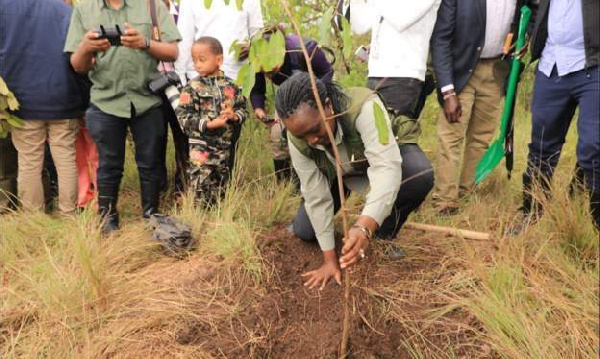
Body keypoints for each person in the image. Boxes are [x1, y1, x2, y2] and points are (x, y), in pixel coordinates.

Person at [276, 73, 434, 290]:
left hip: (374, 163)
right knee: (305, 231)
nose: (312, 140)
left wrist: (364, 226)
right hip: (336, 173)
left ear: (328, 105)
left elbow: (385, 168)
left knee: (418, 175)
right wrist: (330, 260)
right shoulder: (298, 139)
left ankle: (383, 234)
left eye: (315, 130)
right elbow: (316, 196)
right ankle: (352, 228)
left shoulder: (364, 108)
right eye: (303, 136)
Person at [65, 0, 181, 234]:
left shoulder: (152, 5)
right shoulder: (84, 9)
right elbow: (77, 65)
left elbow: (173, 52)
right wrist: (86, 47)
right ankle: (108, 217)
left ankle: (151, 214)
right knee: (109, 163)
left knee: (150, 162)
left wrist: (145, 43)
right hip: (106, 100)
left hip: (146, 98)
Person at [430, 0, 531, 215]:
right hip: (461, 70)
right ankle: (445, 201)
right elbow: (441, 39)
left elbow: (534, 10)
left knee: (481, 137)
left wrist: (527, 36)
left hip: (496, 70)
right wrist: (448, 91)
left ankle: (467, 193)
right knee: (452, 136)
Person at [517, 0, 599, 230]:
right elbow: (531, 7)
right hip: (551, 64)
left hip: (593, 65)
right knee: (541, 145)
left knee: (594, 146)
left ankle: (596, 222)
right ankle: (531, 213)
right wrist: (529, 33)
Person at [1, 0, 86, 215]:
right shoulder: (65, 10)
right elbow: (77, 56)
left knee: (29, 160)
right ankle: (68, 214)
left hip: (21, 99)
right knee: (66, 157)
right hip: (62, 95)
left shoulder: (4, 8)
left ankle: (34, 217)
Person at [175, 0, 263, 175]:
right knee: (197, 145)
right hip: (199, 85)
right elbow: (184, 39)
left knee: (228, 143)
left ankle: (224, 194)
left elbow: (257, 34)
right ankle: (192, 192)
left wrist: (252, 47)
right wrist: (180, 78)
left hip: (234, 81)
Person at [250, 26, 334, 181]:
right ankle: (285, 185)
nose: (268, 74)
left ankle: (327, 174)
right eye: (264, 72)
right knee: (278, 136)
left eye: (270, 70)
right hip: (287, 95)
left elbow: (327, 72)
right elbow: (257, 90)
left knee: (316, 133)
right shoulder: (257, 59)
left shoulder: (305, 50)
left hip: (316, 91)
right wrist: (259, 109)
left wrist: (315, 96)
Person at [175, 37, 248, 204]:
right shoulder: (191, 87)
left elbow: (243, 110)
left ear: (219, 60)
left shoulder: (232, 86)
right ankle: (199, 218)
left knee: (222, 187)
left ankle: (220, 220)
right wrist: (207, 124)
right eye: (194, 60)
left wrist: (234, 116)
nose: (197, 65)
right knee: (200, 186)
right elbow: (182, 116)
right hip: (201, 147)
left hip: (224, 147)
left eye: (202, 60)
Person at [348, 0, 441, 119]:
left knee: (391, 134)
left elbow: (401, 19)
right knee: (372, 132)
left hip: (404, 76)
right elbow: (360, 26)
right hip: (375, 74)